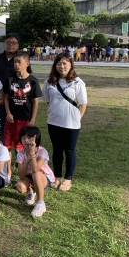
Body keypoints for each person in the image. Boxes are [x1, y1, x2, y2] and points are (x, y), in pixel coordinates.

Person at [42, 53, 87, 191]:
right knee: (57, 150)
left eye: (65, 63)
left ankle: (68, 179)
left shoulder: (78, 82)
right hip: (54, 122)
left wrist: (77, 118)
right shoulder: (49, 82)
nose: (62, 66)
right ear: (55, 65)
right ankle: (57, 177)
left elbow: (83, 104)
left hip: (72, 124)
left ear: (71, 65)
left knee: (69, 151)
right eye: (59, 63)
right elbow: (47, 100)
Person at [3, 50, 42, 179]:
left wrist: (33, 120)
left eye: (19, 62)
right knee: (7, 146)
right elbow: (6, 98)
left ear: (27, 64)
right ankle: (8, 171)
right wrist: (8, 113)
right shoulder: (10, 80)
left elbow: (36, 102)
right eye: (15, 62)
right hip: (11, 120)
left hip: (25, 120)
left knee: (21, 147)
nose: (16, 64)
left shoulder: (33, 81)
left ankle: (23, 173)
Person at [0, 33, 27, 142]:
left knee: (18, 130)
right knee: (1, 128)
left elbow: (27, 77)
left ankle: (20, 155)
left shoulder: (20, 59)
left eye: (14, 43)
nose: (10, 45)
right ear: (4, 44)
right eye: (8, 42)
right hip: (0, 99)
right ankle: (3, 154)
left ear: (18, 45)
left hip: (17, 100)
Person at [15, 126, 54, 217]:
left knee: (35, 173)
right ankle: (32, 192)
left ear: (36, 138)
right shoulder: (21, 153)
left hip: (42, 177)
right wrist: (27, 161)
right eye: (23, 137)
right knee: (20, 186)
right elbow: (21, 176)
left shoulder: (42, 152)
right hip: (29, 177)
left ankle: (40, 203)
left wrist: (32, 153)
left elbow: (35, 169)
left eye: (29, 137)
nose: (25, 140)